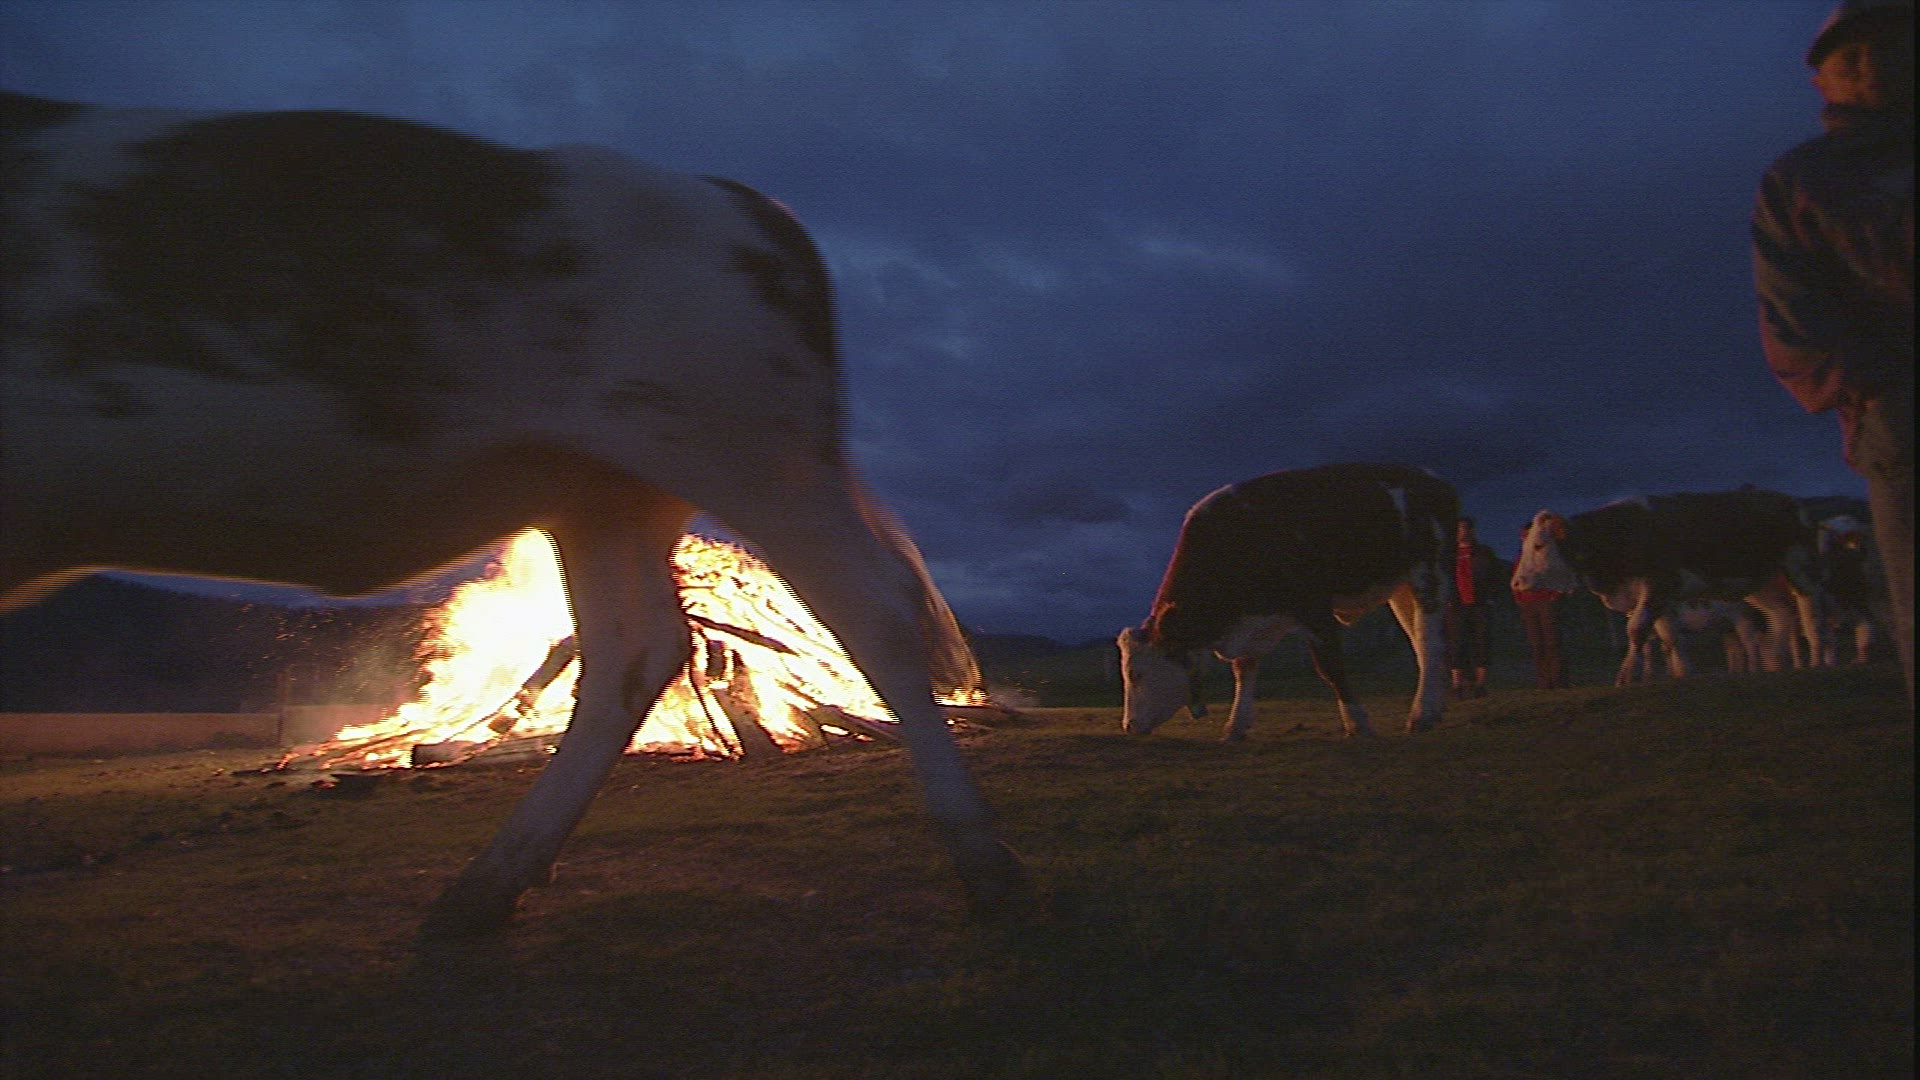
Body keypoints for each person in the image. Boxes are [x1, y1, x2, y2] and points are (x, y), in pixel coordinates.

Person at [1752, 0, 1914, 704]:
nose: (1870, 63)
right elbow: (1793, 321)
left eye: (1889, 43)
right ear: (1822, 78)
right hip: (1899, 421)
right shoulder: (1803, 181)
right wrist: (1877, 390)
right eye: (1850, 53)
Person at [1446, 516, 1502, 699]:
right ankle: (1457, 684)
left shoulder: (1484, 552)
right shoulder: (1449, 555)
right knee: (1456, 643)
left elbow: (1495, 575)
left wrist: (1491, 597)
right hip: (1457, 605)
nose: (1461, 533)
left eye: (1464, 528)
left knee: (1482, 641)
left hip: (1480, 604)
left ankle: (1480, 684)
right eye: (1458, 529)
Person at [1511, 523, 1572, 689]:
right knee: (1536, 642)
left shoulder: (1546, 553)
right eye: (1523, 535)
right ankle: (1544, 680)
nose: (1524, 538)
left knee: (1552, 640)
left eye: (1527, 535)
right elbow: (1516, 577)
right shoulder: (1523, 556)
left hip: (1546, 599)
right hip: (1528, 602)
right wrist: (1519, 597)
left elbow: (1558, 573)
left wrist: (1555, 594)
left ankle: (1558, 679)